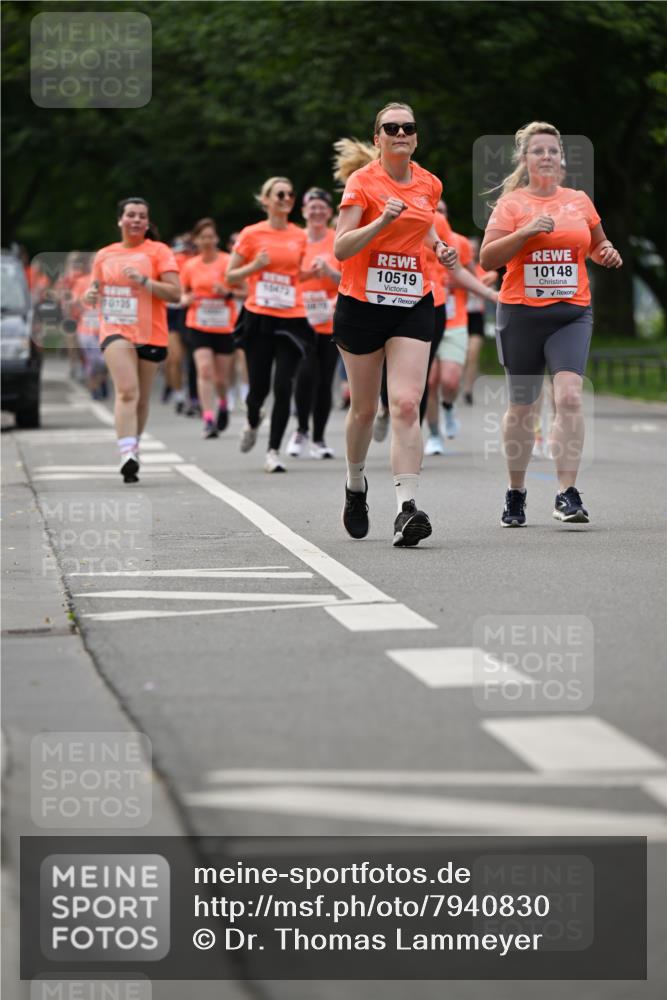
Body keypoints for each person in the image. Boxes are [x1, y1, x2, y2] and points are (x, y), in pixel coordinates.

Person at [480, 121, 622, 525]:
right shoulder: (511, 205)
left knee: (570, 397)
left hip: (571, 313)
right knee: (523, 408)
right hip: (521, 314)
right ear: (525, 159)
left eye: (553, 151)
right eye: (538, 151)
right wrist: (525, 232)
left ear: (562, 159)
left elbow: (596, 243)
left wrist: (606, 252)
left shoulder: (578, 201)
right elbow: (488, 259)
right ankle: (515, 492)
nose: (546, 156)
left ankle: (566, 493)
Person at [332, 103, 457, 547]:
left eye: (408, 127)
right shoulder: (362, 183)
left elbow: (424, 227)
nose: (401, 132)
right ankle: (355, 484)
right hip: (361, 304)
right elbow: (341, 248)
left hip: (411, 302)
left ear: (416, 137)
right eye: (391, 127)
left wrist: (439, 247)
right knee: (365, 410)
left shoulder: (429, 183)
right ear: (378, 138)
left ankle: (407, 509)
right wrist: (382, 220)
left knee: (405, 404)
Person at [84, 198, 180, 482]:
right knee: (127, 390)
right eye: (131, 215)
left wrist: (144, 281)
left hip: (151, 331)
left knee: (141, 399)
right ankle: (126, 453)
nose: (136, 220)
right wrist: (89, 295)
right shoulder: (105, 255)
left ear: (147, 223)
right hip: (116, 329)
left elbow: (175, 293)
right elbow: (93, 291)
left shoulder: (159, 252)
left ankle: (133, 446)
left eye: (141, 216)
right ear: (120, 220)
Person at [226, 177, 313, 473]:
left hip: (292, 316)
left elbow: (297, 275)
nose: (286, 198)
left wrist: (314, 274)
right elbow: (230, 276)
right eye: (280, 194)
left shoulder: (299, 235)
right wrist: (255, 266)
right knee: (258, 390)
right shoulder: (252, 234)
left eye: (290, 194)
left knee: (284, 385)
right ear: (265, 200)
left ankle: (273, 451)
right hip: (259, 316)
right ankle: (253, 420)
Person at [425, 208, 499, 453]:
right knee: (430, 381)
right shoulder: (415, 236)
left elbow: (474, 276)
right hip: (425, 318)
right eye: (434, 210)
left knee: (450, 380)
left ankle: (448, 406)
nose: (437, 215)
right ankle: (434, 435)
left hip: (455, 320)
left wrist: (485, 286)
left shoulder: (460, 243)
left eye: (441, 211)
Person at [287, 187, 341, 459]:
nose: (317, 212)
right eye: (312, 207)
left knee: (325, 380)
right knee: (305, 374)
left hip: (330, 318)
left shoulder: (337, 240)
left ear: (330, 212)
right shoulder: (295, 241)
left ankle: (319, 438)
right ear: (304, 211)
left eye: (322, 207)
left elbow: (350, 280)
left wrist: (330, 274)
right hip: (301, 318)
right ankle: (301, 430)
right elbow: (286, 277)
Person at [180, 218, 239, 438]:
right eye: (202, 237)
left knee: (221, 379)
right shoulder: (190, 265)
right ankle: (208, 418)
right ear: (196, 240)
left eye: (210, 237)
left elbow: (246, 291)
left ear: (216, 239)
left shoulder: (228, 261)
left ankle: (222, 403)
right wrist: (185, 299)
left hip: (224, 326)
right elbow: (181, 293)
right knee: (204, 370)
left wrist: (227, 293)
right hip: (199, 324)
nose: (207, 241)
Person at [462, 235, 498, 405]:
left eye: (475, 249)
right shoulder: (458, 268)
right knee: (461, 355)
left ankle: (468, 390)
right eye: (469, 249)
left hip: (476, 316)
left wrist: (491, 280)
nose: (472, 252)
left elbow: (493, 278)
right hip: (459, 317)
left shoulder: (481, 270)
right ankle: (455, 383)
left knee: (473, 353)